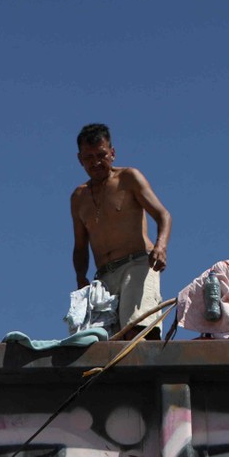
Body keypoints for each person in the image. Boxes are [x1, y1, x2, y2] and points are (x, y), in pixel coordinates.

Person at [70, 123, 173, 339]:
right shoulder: (78, 198)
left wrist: (161, 247)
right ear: (80, 159)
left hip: (136, 266)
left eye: (101, 155)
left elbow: (163, 215)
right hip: (104, 277)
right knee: (101, 342)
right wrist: (81, 277)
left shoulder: (128, 178)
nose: (96, 162)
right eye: (89, 158)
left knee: (137, 332)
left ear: (112, 153)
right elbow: (80, 245)